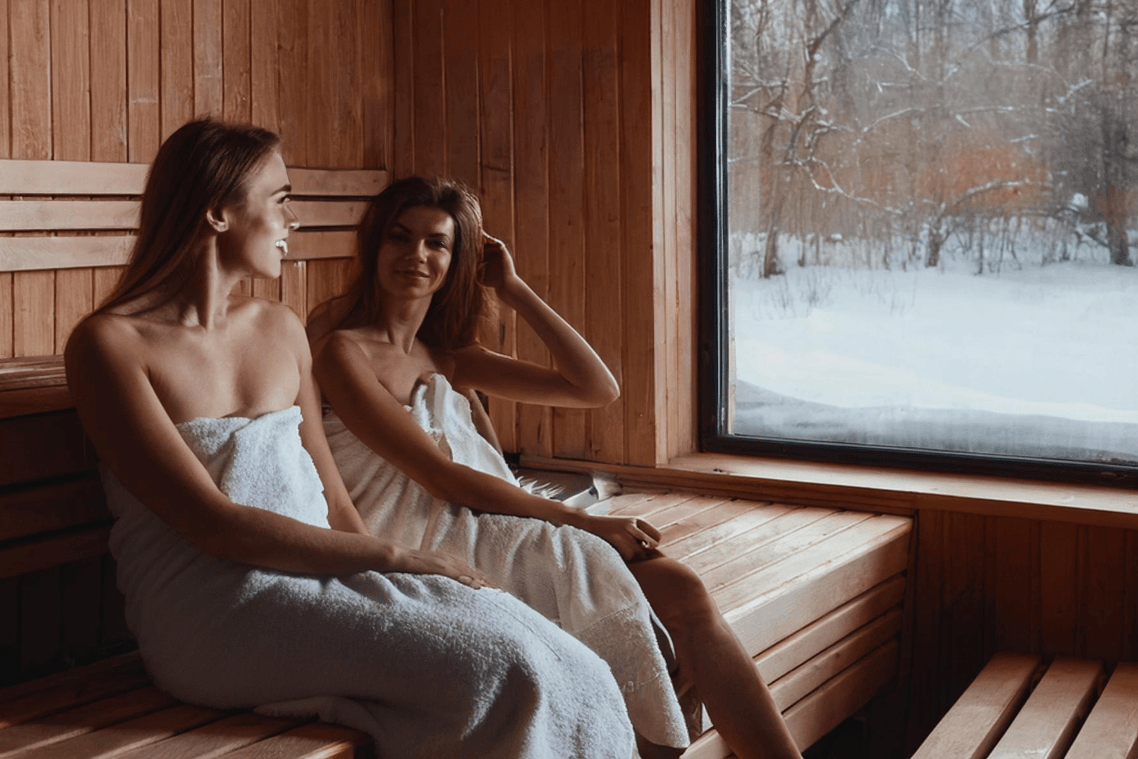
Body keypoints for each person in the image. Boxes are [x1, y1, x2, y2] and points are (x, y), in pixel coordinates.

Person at [63, 120, 638, 759]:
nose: (295, 220)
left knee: (567, 658)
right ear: (216, 211)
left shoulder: (279, 330)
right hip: (216, 607)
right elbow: (215, 524)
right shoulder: (110, 345)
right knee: (507, 666)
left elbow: (333, 500)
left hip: (328, 576)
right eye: (280, 199)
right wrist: (395, 560)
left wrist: (393, 572)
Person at [308, 175, 805, 759]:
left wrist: (515, 289)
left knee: (683, 593)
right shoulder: (343, 349)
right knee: (666, 596)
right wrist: (586, 523)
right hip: (424, 535)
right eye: (400, 237)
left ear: (457, 258)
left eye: (437, 243)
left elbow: (596, 387)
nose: (416, 255)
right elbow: (440, 477)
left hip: (480, 519)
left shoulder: (447, 356)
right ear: (375, 246)